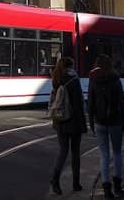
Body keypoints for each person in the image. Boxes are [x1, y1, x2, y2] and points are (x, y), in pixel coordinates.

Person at [87, 54, 124, 198]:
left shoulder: (93, 80)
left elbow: (90, 103)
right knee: (117, 153)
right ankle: (118, 186)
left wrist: (91, 122)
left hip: (99, 122)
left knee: (104, 155)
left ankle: (106, 188)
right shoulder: (115, 79)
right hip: (115, 121)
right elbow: (122, 104)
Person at [49, 56, 87, 195]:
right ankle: (76, 183)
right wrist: (83, 124)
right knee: (75, 153)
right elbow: (78, 105)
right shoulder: (74, 80)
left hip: (60, 120)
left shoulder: (56, 79)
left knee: (63, 151)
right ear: (71, 67)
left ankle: (55, 179)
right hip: (73, 121)